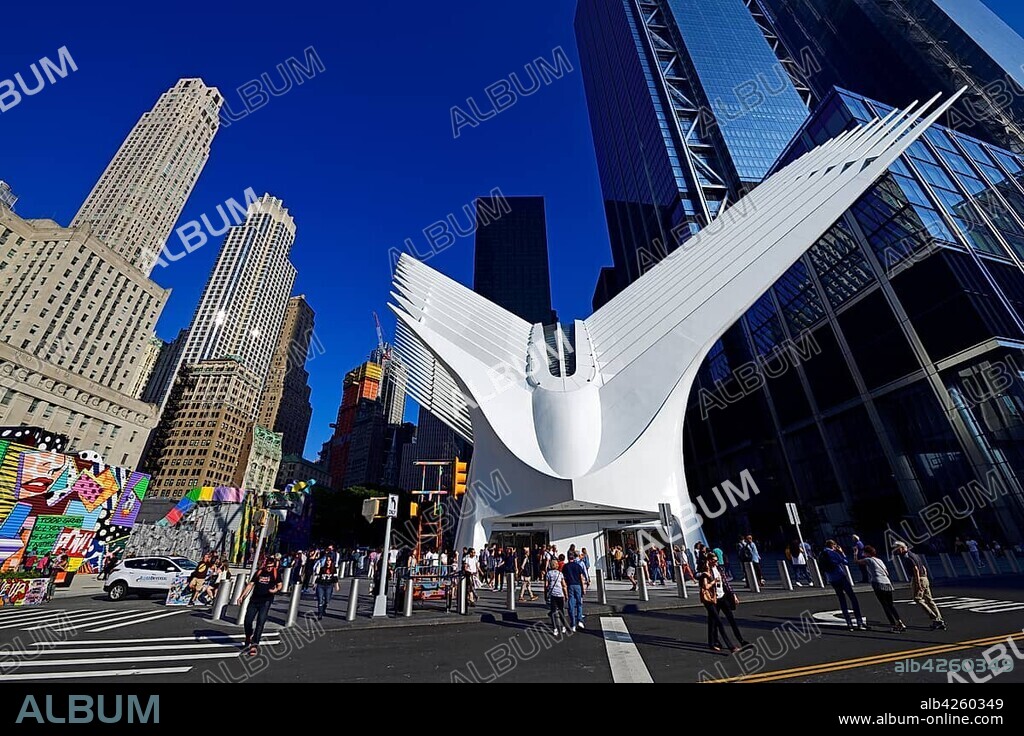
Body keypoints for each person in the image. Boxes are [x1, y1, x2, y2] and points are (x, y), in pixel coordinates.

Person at [893, 542, 946, 630]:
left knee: (917, 599)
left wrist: (917, 582)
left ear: (901, 548)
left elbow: (915, 569)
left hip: (918, 578)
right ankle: (939, 619)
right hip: (924, 577)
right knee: (929, 599)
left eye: (897, 548)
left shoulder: (907, 557)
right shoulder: (915, 555)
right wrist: (925, 576)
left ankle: (934, 618)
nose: (897, 551)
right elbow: (923, 567)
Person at [237, 558, 282, 656]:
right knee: (247, 621)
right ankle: (249, 635)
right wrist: (241, 596)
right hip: (254, 600)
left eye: (271, 567)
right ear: (265, 565)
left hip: (266, 601)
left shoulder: (275, 573)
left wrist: (275, 591)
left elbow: (279, 585)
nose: (269, 568)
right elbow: (250, 585)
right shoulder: (259, 572)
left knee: (260, 622)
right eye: (268, 566)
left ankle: (254, 645)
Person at [856, 545, 905, 633]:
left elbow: (857, 561)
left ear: (867, 553)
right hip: (887, 583)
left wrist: (855, 553)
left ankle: (893, 625)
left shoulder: (869, 560)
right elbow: (887, 572)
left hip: (878, 583)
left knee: (884, 605)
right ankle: (900, 622)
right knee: (891, 604)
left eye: (864, 552)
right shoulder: (880, 560)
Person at [697, 550, 739, 653]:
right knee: (719, 622)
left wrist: (732, 594)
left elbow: (724, 582)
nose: (717, 562)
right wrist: (714, 581)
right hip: (709, 600)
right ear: (709, 561)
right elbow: (705, 586)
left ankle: (712, 643)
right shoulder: (705, 573)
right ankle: (730, 646)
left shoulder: (718, 569)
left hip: (717, 597)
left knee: (712, 621)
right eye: (715, 560)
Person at [819, 540, 866, 630]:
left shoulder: (821, 554)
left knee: (841, 599)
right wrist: (841, 552)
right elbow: (845, 561)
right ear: (833, 545)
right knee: (852, 598)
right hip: (840, 576)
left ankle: (849, 623)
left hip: (831, 579)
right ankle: (859, 622)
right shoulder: (833, 553)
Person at [562, 551, 587, 632]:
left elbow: (563, 577)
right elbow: (581, 577)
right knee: (579, 603)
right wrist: (583, 588)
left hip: (570, 585)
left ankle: (572, 624)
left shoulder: (565, 566)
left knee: (571, 604)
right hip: (578, 585)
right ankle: (579, 619)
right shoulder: (578, 566)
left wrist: (564, 588)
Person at [544, 559, 570, 636]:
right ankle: (563, 626)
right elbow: (564, 585)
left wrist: (546, 594)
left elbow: (546, 585)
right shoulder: (560, 574)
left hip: (552, 594)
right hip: (560, 593)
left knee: (553, 611)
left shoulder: (548, 574)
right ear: (557, 565)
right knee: (561, 610)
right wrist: (566, 595)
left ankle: (555, 628)